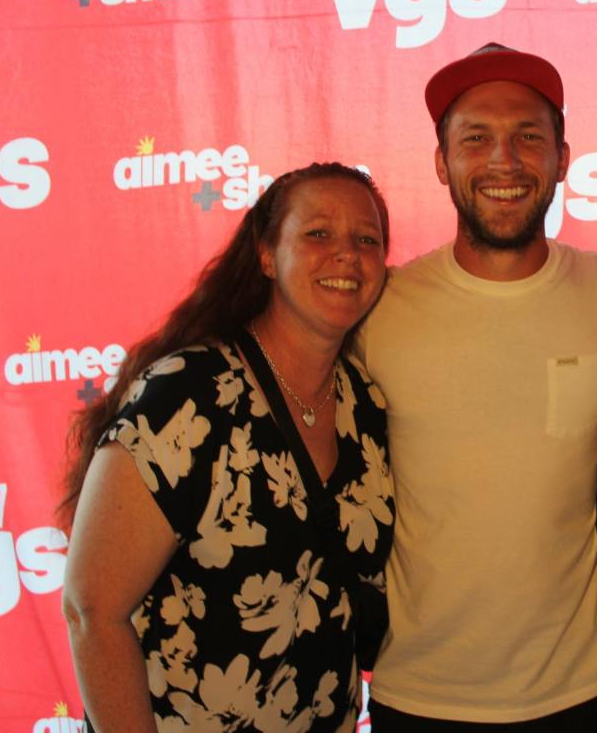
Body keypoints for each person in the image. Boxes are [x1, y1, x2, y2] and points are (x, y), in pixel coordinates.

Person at [60, 162, 395, 733]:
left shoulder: (365, 402)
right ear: (266, 254)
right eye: (318, 233)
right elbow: (92, 611)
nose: (347, 254)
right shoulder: (188, 394)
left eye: (367, 240)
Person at [354, 44, 597, 730]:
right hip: (418, 692)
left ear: (563, 159)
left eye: (528, 137)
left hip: (584, 690)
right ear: (442, 164)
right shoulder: (377, 309)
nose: (504, 161)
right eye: (475, 138)